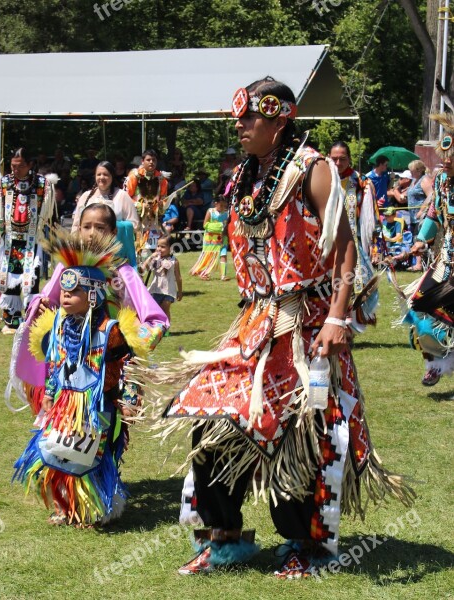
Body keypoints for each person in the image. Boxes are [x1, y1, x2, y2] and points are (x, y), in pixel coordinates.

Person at [145, 76, 414, 577]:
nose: (241, 125)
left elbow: (345, 247)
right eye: (240, 117)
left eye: (250, 117)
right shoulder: (248, 174)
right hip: (255, 321)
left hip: (306, 322)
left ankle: (300, 544)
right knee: (211, 416)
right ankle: (224, 536)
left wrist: (338, 316)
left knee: (297, 432)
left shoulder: (313, 171)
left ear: (279, 118)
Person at [13, 229, 138, 528]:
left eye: (75, 292)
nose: (66, 297)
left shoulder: (112, 330)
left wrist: (130, 397)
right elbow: (54, 365)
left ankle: (96, 509)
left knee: (91, 459)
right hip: (62, 404)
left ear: (93, 294)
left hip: (97, 407)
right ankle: (66, 507)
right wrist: (48, 395)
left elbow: (130, 364)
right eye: (65, 292)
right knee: (56, 454)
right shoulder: (56, 325)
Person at [7, 202, 169, 415]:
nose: (92, 233)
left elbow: (157, 320)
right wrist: (41, 307)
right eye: (87, 226)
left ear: (113, 232)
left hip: (107, 366)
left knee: (102, 429)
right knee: (61, 426)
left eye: (100, 228)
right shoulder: (67, 268)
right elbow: (49, 301)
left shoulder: (122, 272)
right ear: (79, 228)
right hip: (69, 360)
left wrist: (129, 343)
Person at [404, 112, 454, 386]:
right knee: (419, 305)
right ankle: (434, 362)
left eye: (450, 157)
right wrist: (421, 240)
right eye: (443, 156)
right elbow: (434, 216)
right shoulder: (441, 183)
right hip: (446, 258)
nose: (444, 161)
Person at [0, 148, 56, 334]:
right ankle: (11, 320)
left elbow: (50, 213)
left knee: (30, 279)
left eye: (20, 166)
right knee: (9, 278)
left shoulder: (43, 185)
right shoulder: (4, 183)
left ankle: (31, 319)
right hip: (9, 239)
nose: (15, 170)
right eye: (12, 166)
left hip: (32, 240)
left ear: (30, 165)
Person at [329, 141, 379, 330]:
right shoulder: (322, 179)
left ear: (349, 159)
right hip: (326, 244)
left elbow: (371, 218)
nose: (338, 162)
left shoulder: (360, 182)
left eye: (342, 158)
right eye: (334, 159)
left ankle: (348, 325)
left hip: (352, 243)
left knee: (352, 282)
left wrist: (373, 245)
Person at [72, 161, 139, 266]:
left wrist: (111, 226)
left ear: (112, 176)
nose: (102, 177)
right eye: (99, 174)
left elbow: (134, 224)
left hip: (114, 252)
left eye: (106, 174)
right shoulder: (86, 196)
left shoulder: (122, 196)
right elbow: (76, 225)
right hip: (88, 250)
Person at [124, 149, 169, 262]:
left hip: (154, 220)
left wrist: (160, 206)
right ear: (142, 161)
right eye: (148, 160)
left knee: (156, 252)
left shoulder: (161, 179)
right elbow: (125, 197)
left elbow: (164, 198)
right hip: (136, 219)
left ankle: (155, 272)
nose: (151, 162)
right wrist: (140, 206)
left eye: (154, 160)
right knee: (137, 250)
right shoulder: (134, 176)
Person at [143, 235, 182, 324]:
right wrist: (150, 257)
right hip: (156, 289)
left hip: (169, 291)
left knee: (165, 309)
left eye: (163, 247)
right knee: (155, 311)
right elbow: (144, 268)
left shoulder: (174, 261)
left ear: (171, 248)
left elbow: (178, 278)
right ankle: (155, 327)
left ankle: (166, 328)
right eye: (158, 246)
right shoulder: (155, 260)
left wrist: (179, 292)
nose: (159, 249)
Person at [190, 196, 229, 281]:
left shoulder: (226, 213)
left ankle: (223, 275)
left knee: (223, 254)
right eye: (221, 205)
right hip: (211, 239)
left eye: (224, 206)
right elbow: (205, 225)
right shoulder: (210, 211)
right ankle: (204, 273)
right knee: (210, 256)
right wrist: (220, 226)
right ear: (216, 203)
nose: (222, 207)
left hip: (222, 238)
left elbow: (227, 226)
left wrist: (224, 231)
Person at [407, 160, 433, 271]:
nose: (410, 172)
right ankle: (418, 263)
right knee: (415, 237)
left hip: (421, 216)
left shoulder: (424, 180)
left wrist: (422, 210)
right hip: (412, 216)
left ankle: (419, 264)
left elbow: (431, 195)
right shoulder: (414, 181)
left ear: (418, 170)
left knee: (420, 238)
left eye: (412, 170)